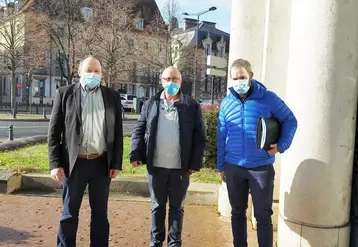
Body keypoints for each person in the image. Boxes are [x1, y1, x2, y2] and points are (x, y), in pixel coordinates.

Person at [217, 59, 297, 247]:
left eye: (242, 77)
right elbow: (221, 136)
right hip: (234, 167)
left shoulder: (268, 98)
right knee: (237, 213)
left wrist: (281, 145)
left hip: (261, 168)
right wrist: (221, 166)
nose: (239, 82)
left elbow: (290, 120)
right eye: (235, 78)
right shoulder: (226, 103)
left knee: (262, 215)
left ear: (251, 76)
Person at [48, 55, 123, 247]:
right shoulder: (64, 94)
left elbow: (117, 132)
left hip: (101, 163)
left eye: (96, 71)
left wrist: (116, 163)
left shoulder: (111, 96)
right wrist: (55, 164)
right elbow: (54, 132)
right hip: (74, 164)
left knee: (100, 215)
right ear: (79, 72)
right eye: (88, 71)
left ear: (102, 74)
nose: (93, 74)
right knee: (69, 214)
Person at [130, 66, 206, 247]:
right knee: (157, 206)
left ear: (180, 82)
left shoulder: (191, 105)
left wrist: (196, 162)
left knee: (177, 208)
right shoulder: (150, 104)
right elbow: (139, 130)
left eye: (175, 79)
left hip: (180, 167)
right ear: (161, 81)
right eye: (167, 79)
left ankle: (174, 243)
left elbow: (199, 136)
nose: (171, 83)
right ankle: (155, 242)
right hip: (156, 167)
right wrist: (135, 153)